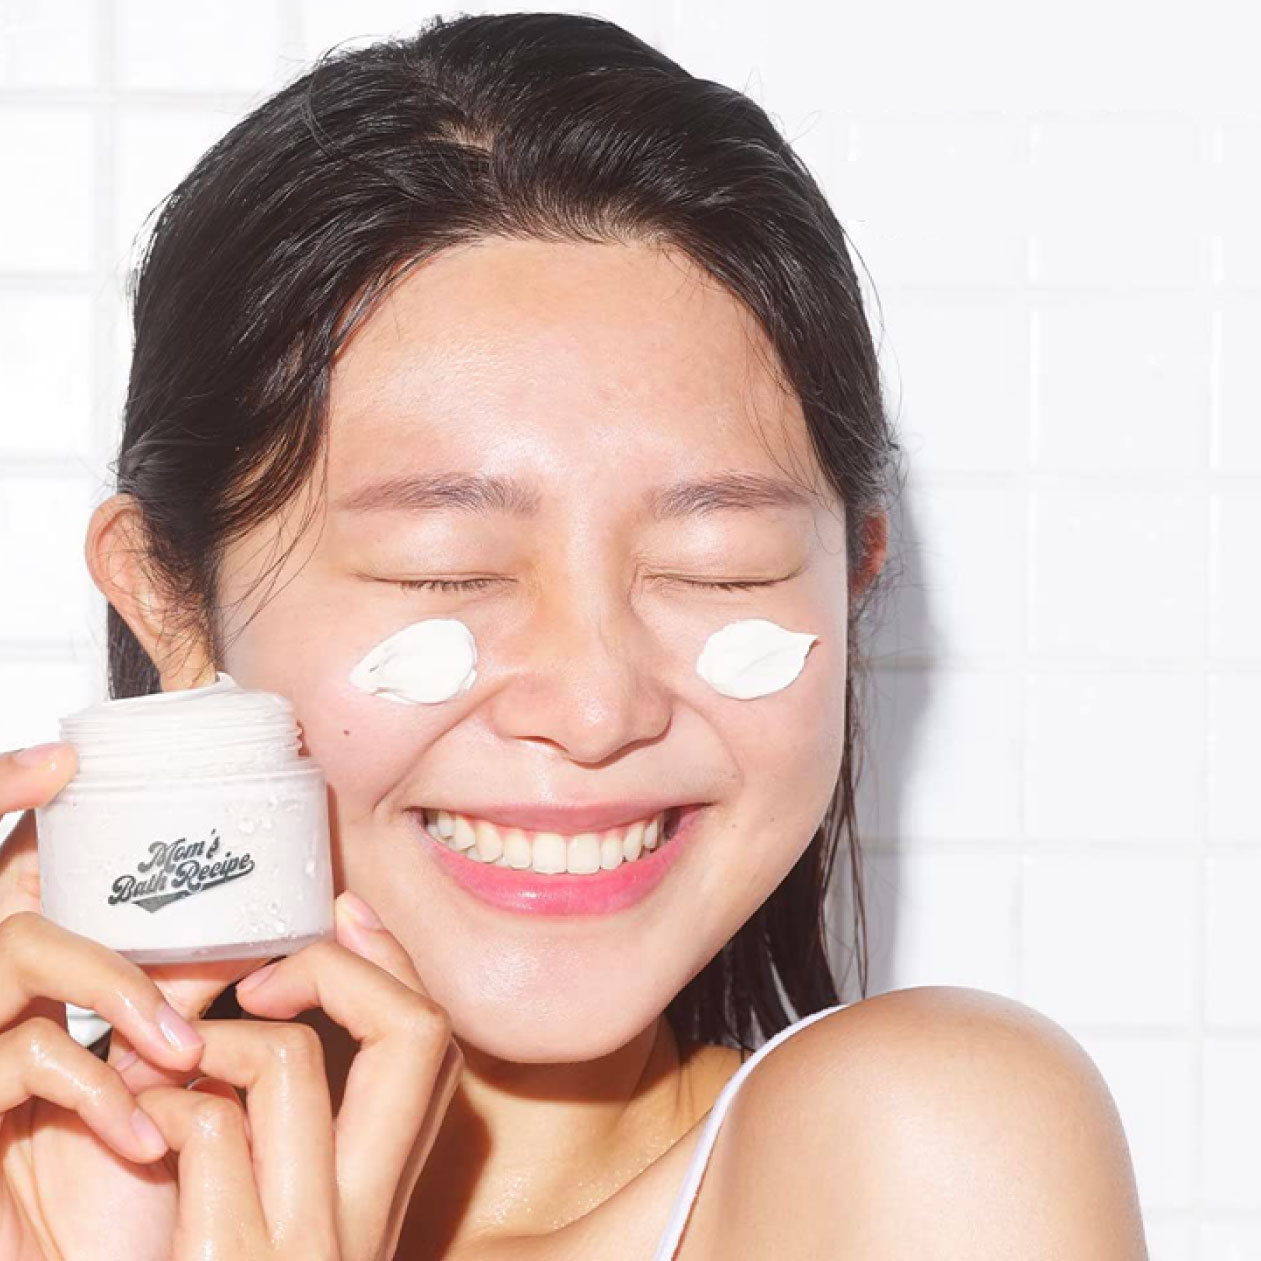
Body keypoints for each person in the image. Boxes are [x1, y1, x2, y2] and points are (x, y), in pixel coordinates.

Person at [0, 11, 1148, 1258]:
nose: (597, 707)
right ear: (169, 598)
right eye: (445, 569)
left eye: (717, 567)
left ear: (851, 578)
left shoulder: (928, 1146)